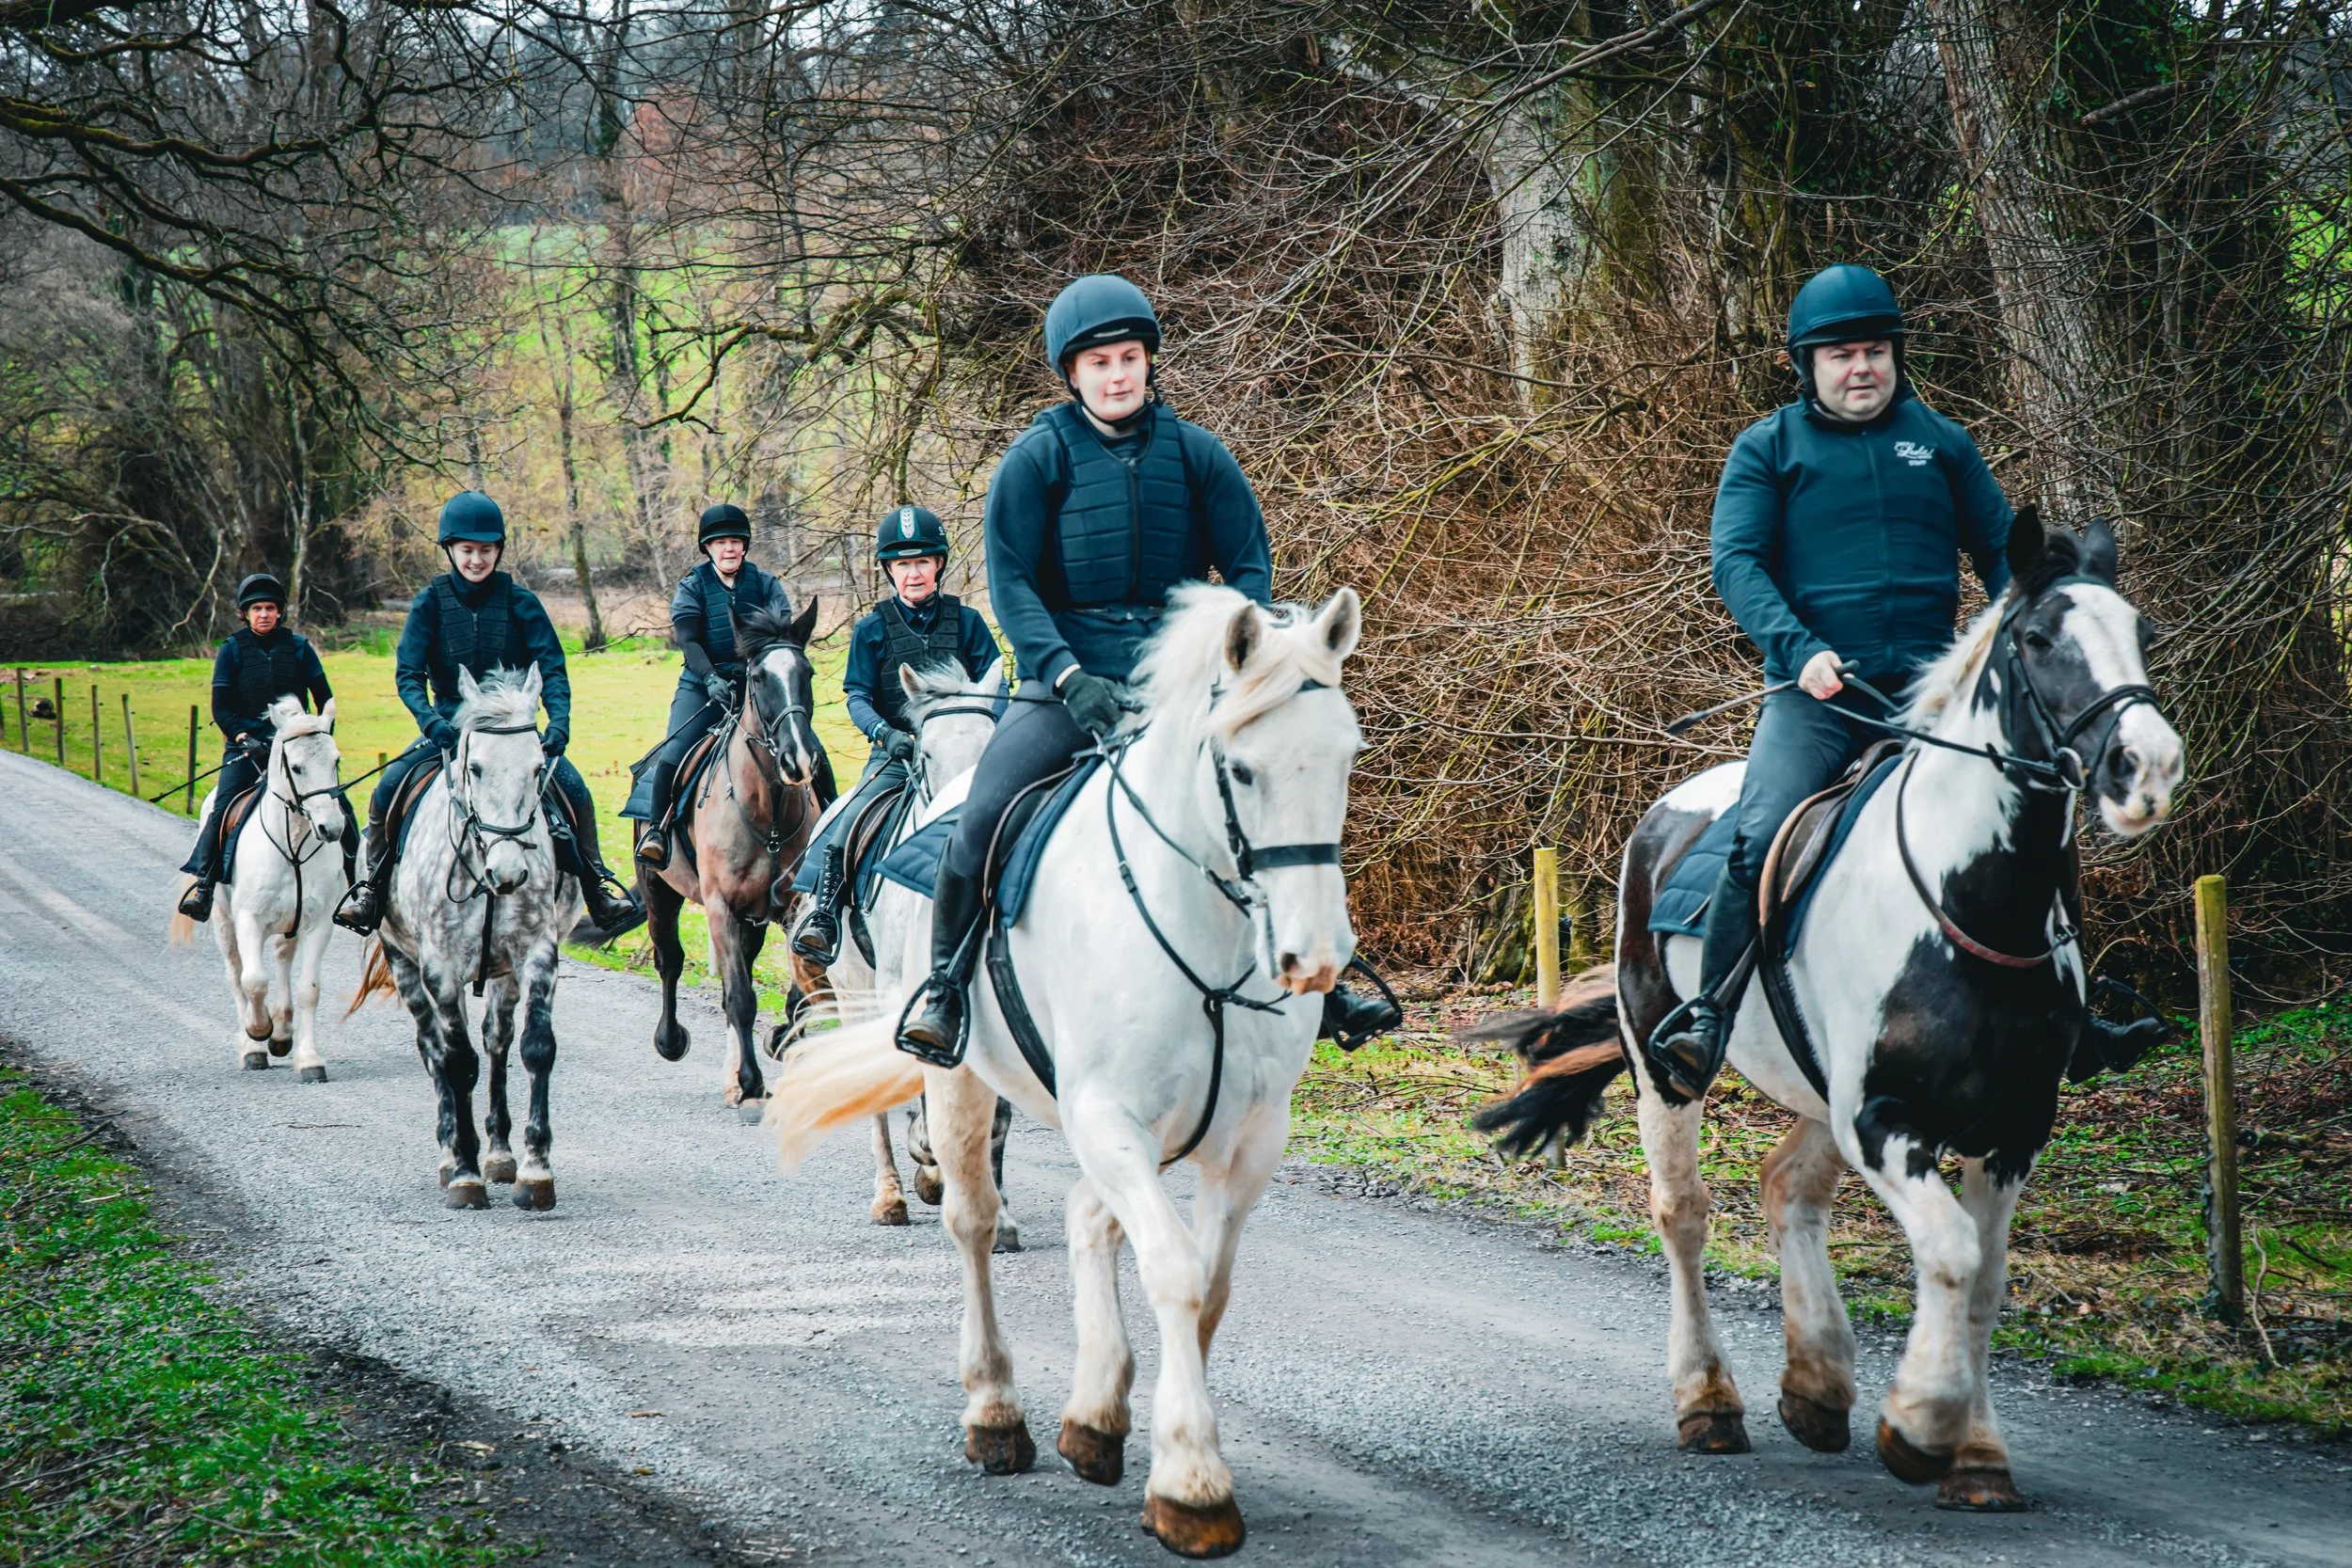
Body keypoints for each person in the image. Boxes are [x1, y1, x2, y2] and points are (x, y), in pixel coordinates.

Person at [896, 273, 1403, 1060]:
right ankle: (945, 988)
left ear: (1148, 362)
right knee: (980, 818)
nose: (1118, 374)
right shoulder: (1035, 461)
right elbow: (1013, 584)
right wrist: (1065, 674)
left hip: (1183, 683)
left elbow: (1247, 572)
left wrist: (1236, 662)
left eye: (1129, 357)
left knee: (1283, 789)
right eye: (1100, 363)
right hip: (1065, 684)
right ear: (1073, 374)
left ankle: (1325, 980)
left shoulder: (1199, 455)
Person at [1650, 263, 2014, 1100]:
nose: (1862, 367)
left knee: (2021, 812)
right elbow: (1734, 562)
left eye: (1876, 350)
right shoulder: (1768, 449)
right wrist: (1798, 647)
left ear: (1896, 355)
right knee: (1761, 830)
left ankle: (2071, 1008)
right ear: (1807, 363)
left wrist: (2001, 639)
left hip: (1928, 700)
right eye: (1843, 353)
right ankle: (1709, 1015)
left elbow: (2000, 553)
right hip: (1816, 698)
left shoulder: (1944, 443)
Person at [332, 491, 644, 939]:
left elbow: (552, 667)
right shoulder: (429, 604)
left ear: (498, 551)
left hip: (513, 734)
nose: (476, 560)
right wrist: (430, 722)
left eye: (485, 551)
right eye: (467, 551)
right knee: (386, 789)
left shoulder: (521, 603)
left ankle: (597, 885)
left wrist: (558, 723)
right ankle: (371, 891)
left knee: (574, 788)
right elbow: (408, 673)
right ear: (450, 551)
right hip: (448, 731)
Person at [790, 503, 1001, 966]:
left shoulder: (967, 623)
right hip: (895, 754)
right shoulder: (871, 629)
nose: (913, 573)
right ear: (889, 570)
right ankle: (824, 914)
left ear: (938, 565)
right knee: (849, 816)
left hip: (963, 753)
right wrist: (887, 736)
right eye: (903, 564)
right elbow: (856, 697)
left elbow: (997, 688)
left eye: (922, 562)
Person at [630, 502, 831, 870]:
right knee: (674, 751)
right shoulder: (693, 585)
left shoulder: (766, 584)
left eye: (735, 542)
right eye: (720, 542)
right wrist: (710, 678)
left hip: (759, 685)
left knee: (809, 747)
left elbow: (782, 640)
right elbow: (689, 640)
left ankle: (829, 826)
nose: (728, 549)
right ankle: (657, 831)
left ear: (745, 546)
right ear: (707, 548)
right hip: (702, 683)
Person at [175, 572, 350, 922]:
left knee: (337, 801)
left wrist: (317, 733)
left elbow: (324, 696)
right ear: (245, 613)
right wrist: (243, 738)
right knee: (222, 806)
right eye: (256, 609)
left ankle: (355, 883)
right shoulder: (231, 650)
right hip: (246, 747)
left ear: (280, 611)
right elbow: (221, 708)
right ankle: (205, 884)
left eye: (270, 608)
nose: (264, 614)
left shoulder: (299, 647)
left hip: (295, 747)